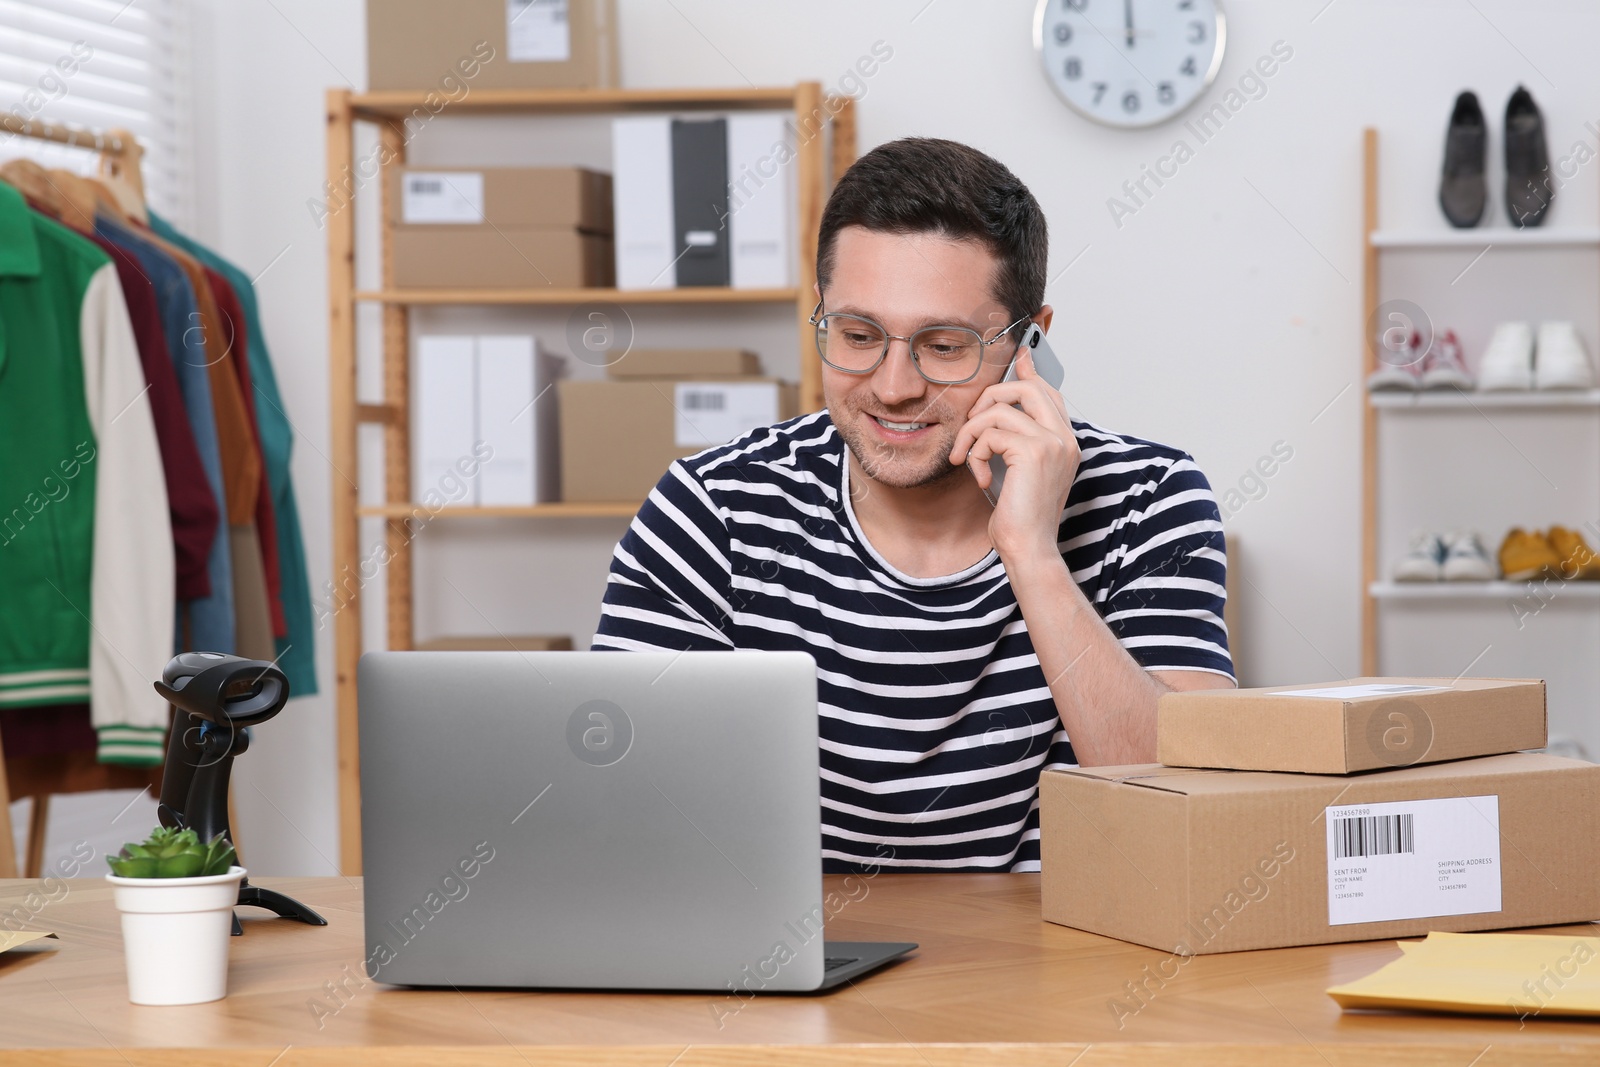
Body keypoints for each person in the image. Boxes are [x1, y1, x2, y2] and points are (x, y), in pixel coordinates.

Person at [594, 137, 1234, 873]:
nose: (893, 384)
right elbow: (625, 822)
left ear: (1031, 342)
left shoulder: (1149, 498)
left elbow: (1186, 814)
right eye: (858, 334)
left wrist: (1032, 552)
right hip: (790, 967)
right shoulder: (711, 512)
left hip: (1065, 969)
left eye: (944, 345)